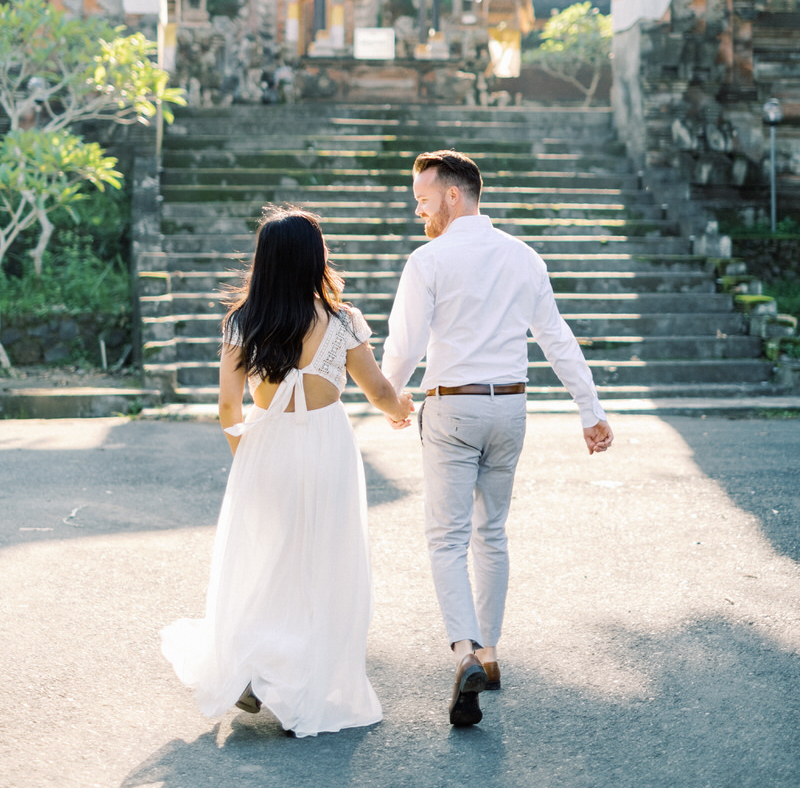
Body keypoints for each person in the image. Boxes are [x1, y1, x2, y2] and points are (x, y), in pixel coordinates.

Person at [381, 150, 613, 728]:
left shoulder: (428, 260)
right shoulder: (523, 256)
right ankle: (488, 652)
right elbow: (556, 337)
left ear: (453, 195)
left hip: (452, 409)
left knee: (446, 539)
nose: (419, 210)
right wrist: (590, 410)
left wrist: (390, 397)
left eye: (423, 198)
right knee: (492, 533)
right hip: (510, 407)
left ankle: (463, 652)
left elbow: (406, 345)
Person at [161, 206, 413, 738]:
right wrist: (400, 411)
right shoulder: (342, 321)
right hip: (326, 444)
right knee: (323, 560)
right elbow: (380, 392)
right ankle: (302, 682)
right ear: (313, 257)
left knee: (266, 559)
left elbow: (229, 408)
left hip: (266, 445)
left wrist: (248, 460)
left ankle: (254, 665)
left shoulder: (240, 323)